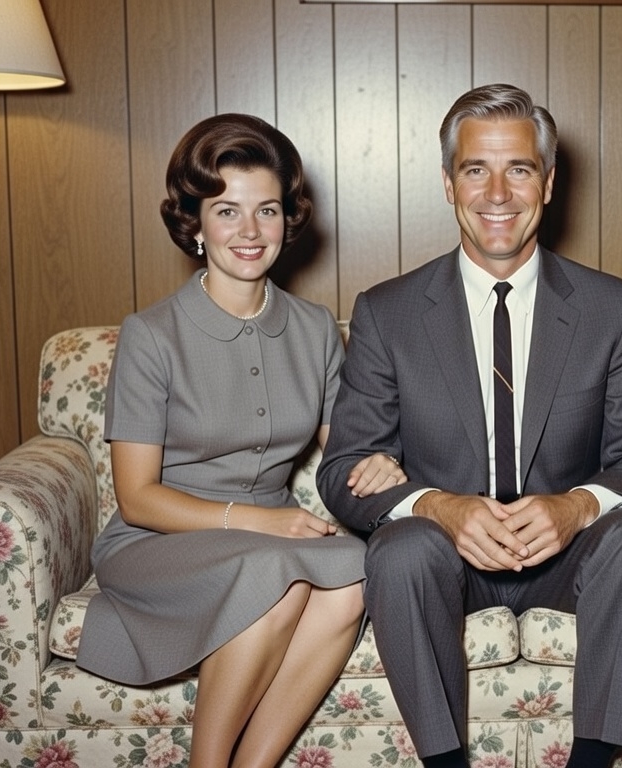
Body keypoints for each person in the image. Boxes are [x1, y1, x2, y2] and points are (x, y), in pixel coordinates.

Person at [317, 83, 622, 768]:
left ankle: (593, 761)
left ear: (547, 183)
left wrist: (576, 507)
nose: (497, 193)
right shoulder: (387, 313)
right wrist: (435, 505)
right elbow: (342, 471)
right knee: (400, 552)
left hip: (569, 557)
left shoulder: (612, 307)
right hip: (445, 557)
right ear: (449, 185)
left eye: (518, 169)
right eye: (474, 169)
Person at [77, 113, 406, 768]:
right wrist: (263, 522)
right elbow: (138, 498)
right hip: (157, 542)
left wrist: (381, 458)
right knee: (272, 573)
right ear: (195, 224)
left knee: (356, 576)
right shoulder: (151, 334)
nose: (249, 232)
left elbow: (347, 445)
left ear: (290, 219)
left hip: (265, 542)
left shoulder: (314, 329)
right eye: (227, 211)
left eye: (267, 211)